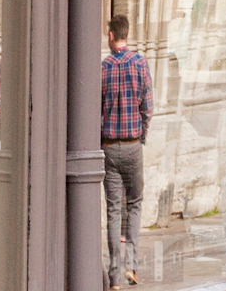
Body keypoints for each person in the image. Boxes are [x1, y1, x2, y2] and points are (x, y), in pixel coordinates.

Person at [99, 17, 153, 274]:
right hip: (132, 145)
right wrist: (141, 136)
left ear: (110, 36)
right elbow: (148, 106)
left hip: (109, 146)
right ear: (126, 35)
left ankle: (115, 272)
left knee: (113, 209)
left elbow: (96, 109)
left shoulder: (104, 66)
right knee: (134, 204)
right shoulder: (140, 63)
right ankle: (131, 267)